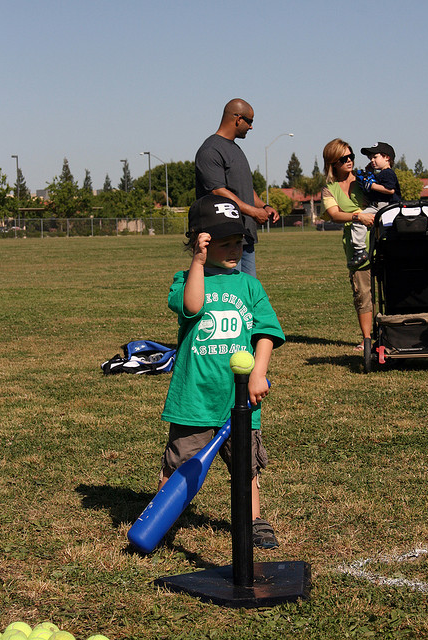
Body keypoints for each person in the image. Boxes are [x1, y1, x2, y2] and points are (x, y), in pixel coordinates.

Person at [159, 194, 285, 548]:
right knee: (179, 464)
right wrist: (198, 263)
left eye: (238, 242)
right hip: (194, 398)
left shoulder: (249, 285)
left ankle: (253, 520)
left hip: (238, 398)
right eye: (223, 243)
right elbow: (192, 306)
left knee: (246, 467)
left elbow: (266, 333)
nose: (234, 250)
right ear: (200, 242)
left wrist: (258, 373)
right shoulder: (185, 280)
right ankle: (162, 518)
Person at [195, 98, 280, 278]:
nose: (251, 127)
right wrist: (253, 212)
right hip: (223, 239)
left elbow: (245, 188)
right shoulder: (210, 150)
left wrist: (263, 206)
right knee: (227, 291)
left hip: (243, 236)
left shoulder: (235, 149)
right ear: (238, 119)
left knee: (247, 290)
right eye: (249, 121)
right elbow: (218, 191)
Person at [321, 139, 375, 347]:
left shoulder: (364, 179)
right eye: (344, 159)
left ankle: (390, 334)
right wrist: (357, 217)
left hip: (379, 238)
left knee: (386, 287)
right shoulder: (329, 189)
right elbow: (334, 215)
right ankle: (367, 339)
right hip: (355, 246)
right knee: (362, 293)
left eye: (351, 156)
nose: (349, 161)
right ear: (333, 162)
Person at [349, 142, 402, 267]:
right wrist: (369, 172)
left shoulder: (388, 173)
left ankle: (360, 251)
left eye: (375, 157)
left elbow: (390, 190)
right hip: (380, 206)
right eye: (370, 158)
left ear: (387, 157)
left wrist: (372, 185)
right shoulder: (381, 173)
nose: (372, 160)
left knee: (358, 220)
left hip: (385, 207)